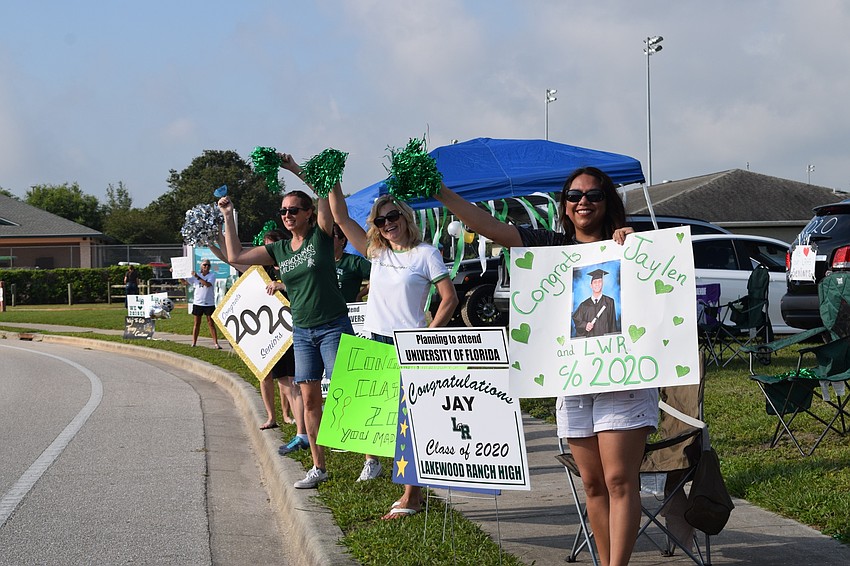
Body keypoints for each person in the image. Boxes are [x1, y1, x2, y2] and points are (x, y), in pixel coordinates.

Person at [435, 166, 656, 566]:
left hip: (624, 379)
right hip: (572, 379)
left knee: (620, 480)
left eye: (593, 195)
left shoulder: (630, 247)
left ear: (608, 203)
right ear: (565, 206)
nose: (583, 202)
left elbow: (658, 298)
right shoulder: (549, 247)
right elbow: (490, 226)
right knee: (592, 484)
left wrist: (635, 246)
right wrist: (441, 192)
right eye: (574, 196)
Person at [217, 154, 353, 490]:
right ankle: (318, 467)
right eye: (283, 211)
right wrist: (229, 216)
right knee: (308, 400)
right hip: (303, 332)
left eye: (294, 210)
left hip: (333, 325)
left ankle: (369, 457)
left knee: (344, 392)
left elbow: (323, 192)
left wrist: (292, 168)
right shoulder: (279, 250)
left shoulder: (320, 236)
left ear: (308, 213)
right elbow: (235, 257)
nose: (288, 215)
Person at [329, 182, 458, 518]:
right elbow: (340, 217)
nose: (387, 224)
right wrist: (329, 180)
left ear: (405, 217)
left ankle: (411, 497)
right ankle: (387, 477)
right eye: (380, 220)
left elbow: (449, 300)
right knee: (375, 420)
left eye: (392, 216)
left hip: (409, 346)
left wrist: (427, 338)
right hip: (375, 342)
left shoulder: (426, 253)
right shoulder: (377, 253)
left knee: (408, 423)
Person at [181, 259, 222, 349]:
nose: (206, 267)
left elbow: (207, 284)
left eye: (208, 265)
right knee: (197, 323)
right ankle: (194, 342)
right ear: (201, 266)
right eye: (204, 265)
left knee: (211, 323)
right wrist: (178, 275)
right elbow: (185, 283)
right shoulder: (196, 276)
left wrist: (197, 277)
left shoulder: (212, 275)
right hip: (198, 302)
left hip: (209, 303)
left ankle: (216, 343)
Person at [572, 268, 620, 337]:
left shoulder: (609, 302)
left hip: (605, 343)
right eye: (595, 282)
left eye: (600, 281)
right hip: (589, 343)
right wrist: (585, 325)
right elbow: (576, 320)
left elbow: (613, 326)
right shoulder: (584, 305)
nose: (597, 284)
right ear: (591, 286)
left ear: (602, 284)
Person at [332, 224, 371, 302]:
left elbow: (379, 275)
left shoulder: (354, 262)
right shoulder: (319, 261)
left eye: (332, 236)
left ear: (342, 240)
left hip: (349, 311)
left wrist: (360, 295)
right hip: (324, 312)